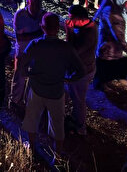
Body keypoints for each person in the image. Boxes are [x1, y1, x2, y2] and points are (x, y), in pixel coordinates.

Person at [20, 12, 85, 154]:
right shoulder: (65, 48)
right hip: (56, 91)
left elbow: (22, 63)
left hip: (37, 89)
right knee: (57, 124)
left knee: (32, 120)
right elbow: (81, 70)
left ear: (42, 27)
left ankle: (31, 147)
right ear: (58, 28)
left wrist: (29, 74)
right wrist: (68, 79)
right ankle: (57, 154)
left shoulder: (36, 44)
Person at [65, 5, 97, 135]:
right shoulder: (89, 26)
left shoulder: (88, 34)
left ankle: (80, 127)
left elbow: (72, 51)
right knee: (76, 96)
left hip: (83, 71)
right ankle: (75, 118)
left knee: (79, 99)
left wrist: (69, 31)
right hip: (84, 68)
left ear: (80, 18)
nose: (69, 20)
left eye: (71, 18)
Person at [95, 0, 127, 89]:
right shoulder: (113, 12)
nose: (126, 1)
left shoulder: (114, 8)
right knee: (108, 76)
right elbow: (118, 33)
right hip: (111, 51)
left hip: (110, 49)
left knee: (107, 75)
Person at [9, 0, 44, 109]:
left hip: (37, 51)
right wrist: (38, 34)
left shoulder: (42, 15)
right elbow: (20, 38)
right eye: (33, 5)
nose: (36, 8)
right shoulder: (20, 15)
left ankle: (27, 101)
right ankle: (14, 100)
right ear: (28, 4)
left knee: (33, 76)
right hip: (23, 50)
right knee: (20, 74)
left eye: (38, 5)